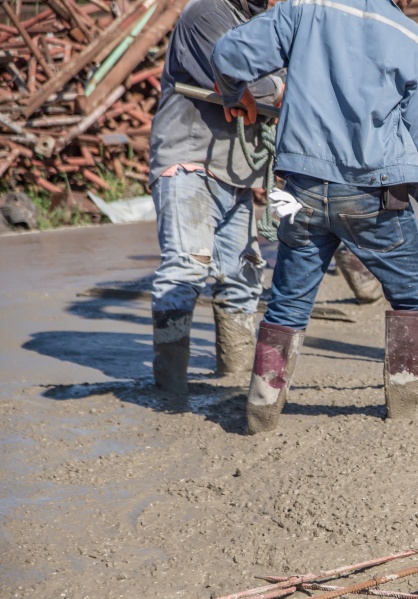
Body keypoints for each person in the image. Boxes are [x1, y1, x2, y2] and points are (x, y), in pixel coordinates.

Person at [210, 0, 418, 433]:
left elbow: (227, 55)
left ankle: (261, 415)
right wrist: (417, 144)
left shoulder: (303, 9)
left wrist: (234, 94)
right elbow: (416, 136)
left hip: (302, 188)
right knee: (415, 299)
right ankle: (410, 412)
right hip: (373, 191)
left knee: (288, 302)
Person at [148, 0, 284, 395]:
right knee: (186, 268)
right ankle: (170, 389)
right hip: (190, 159)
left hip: (233, 170)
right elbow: (234, 82)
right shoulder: (208, 13)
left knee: (242, 278)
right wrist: (280, 84)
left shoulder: (257, 20)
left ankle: (232, 381)